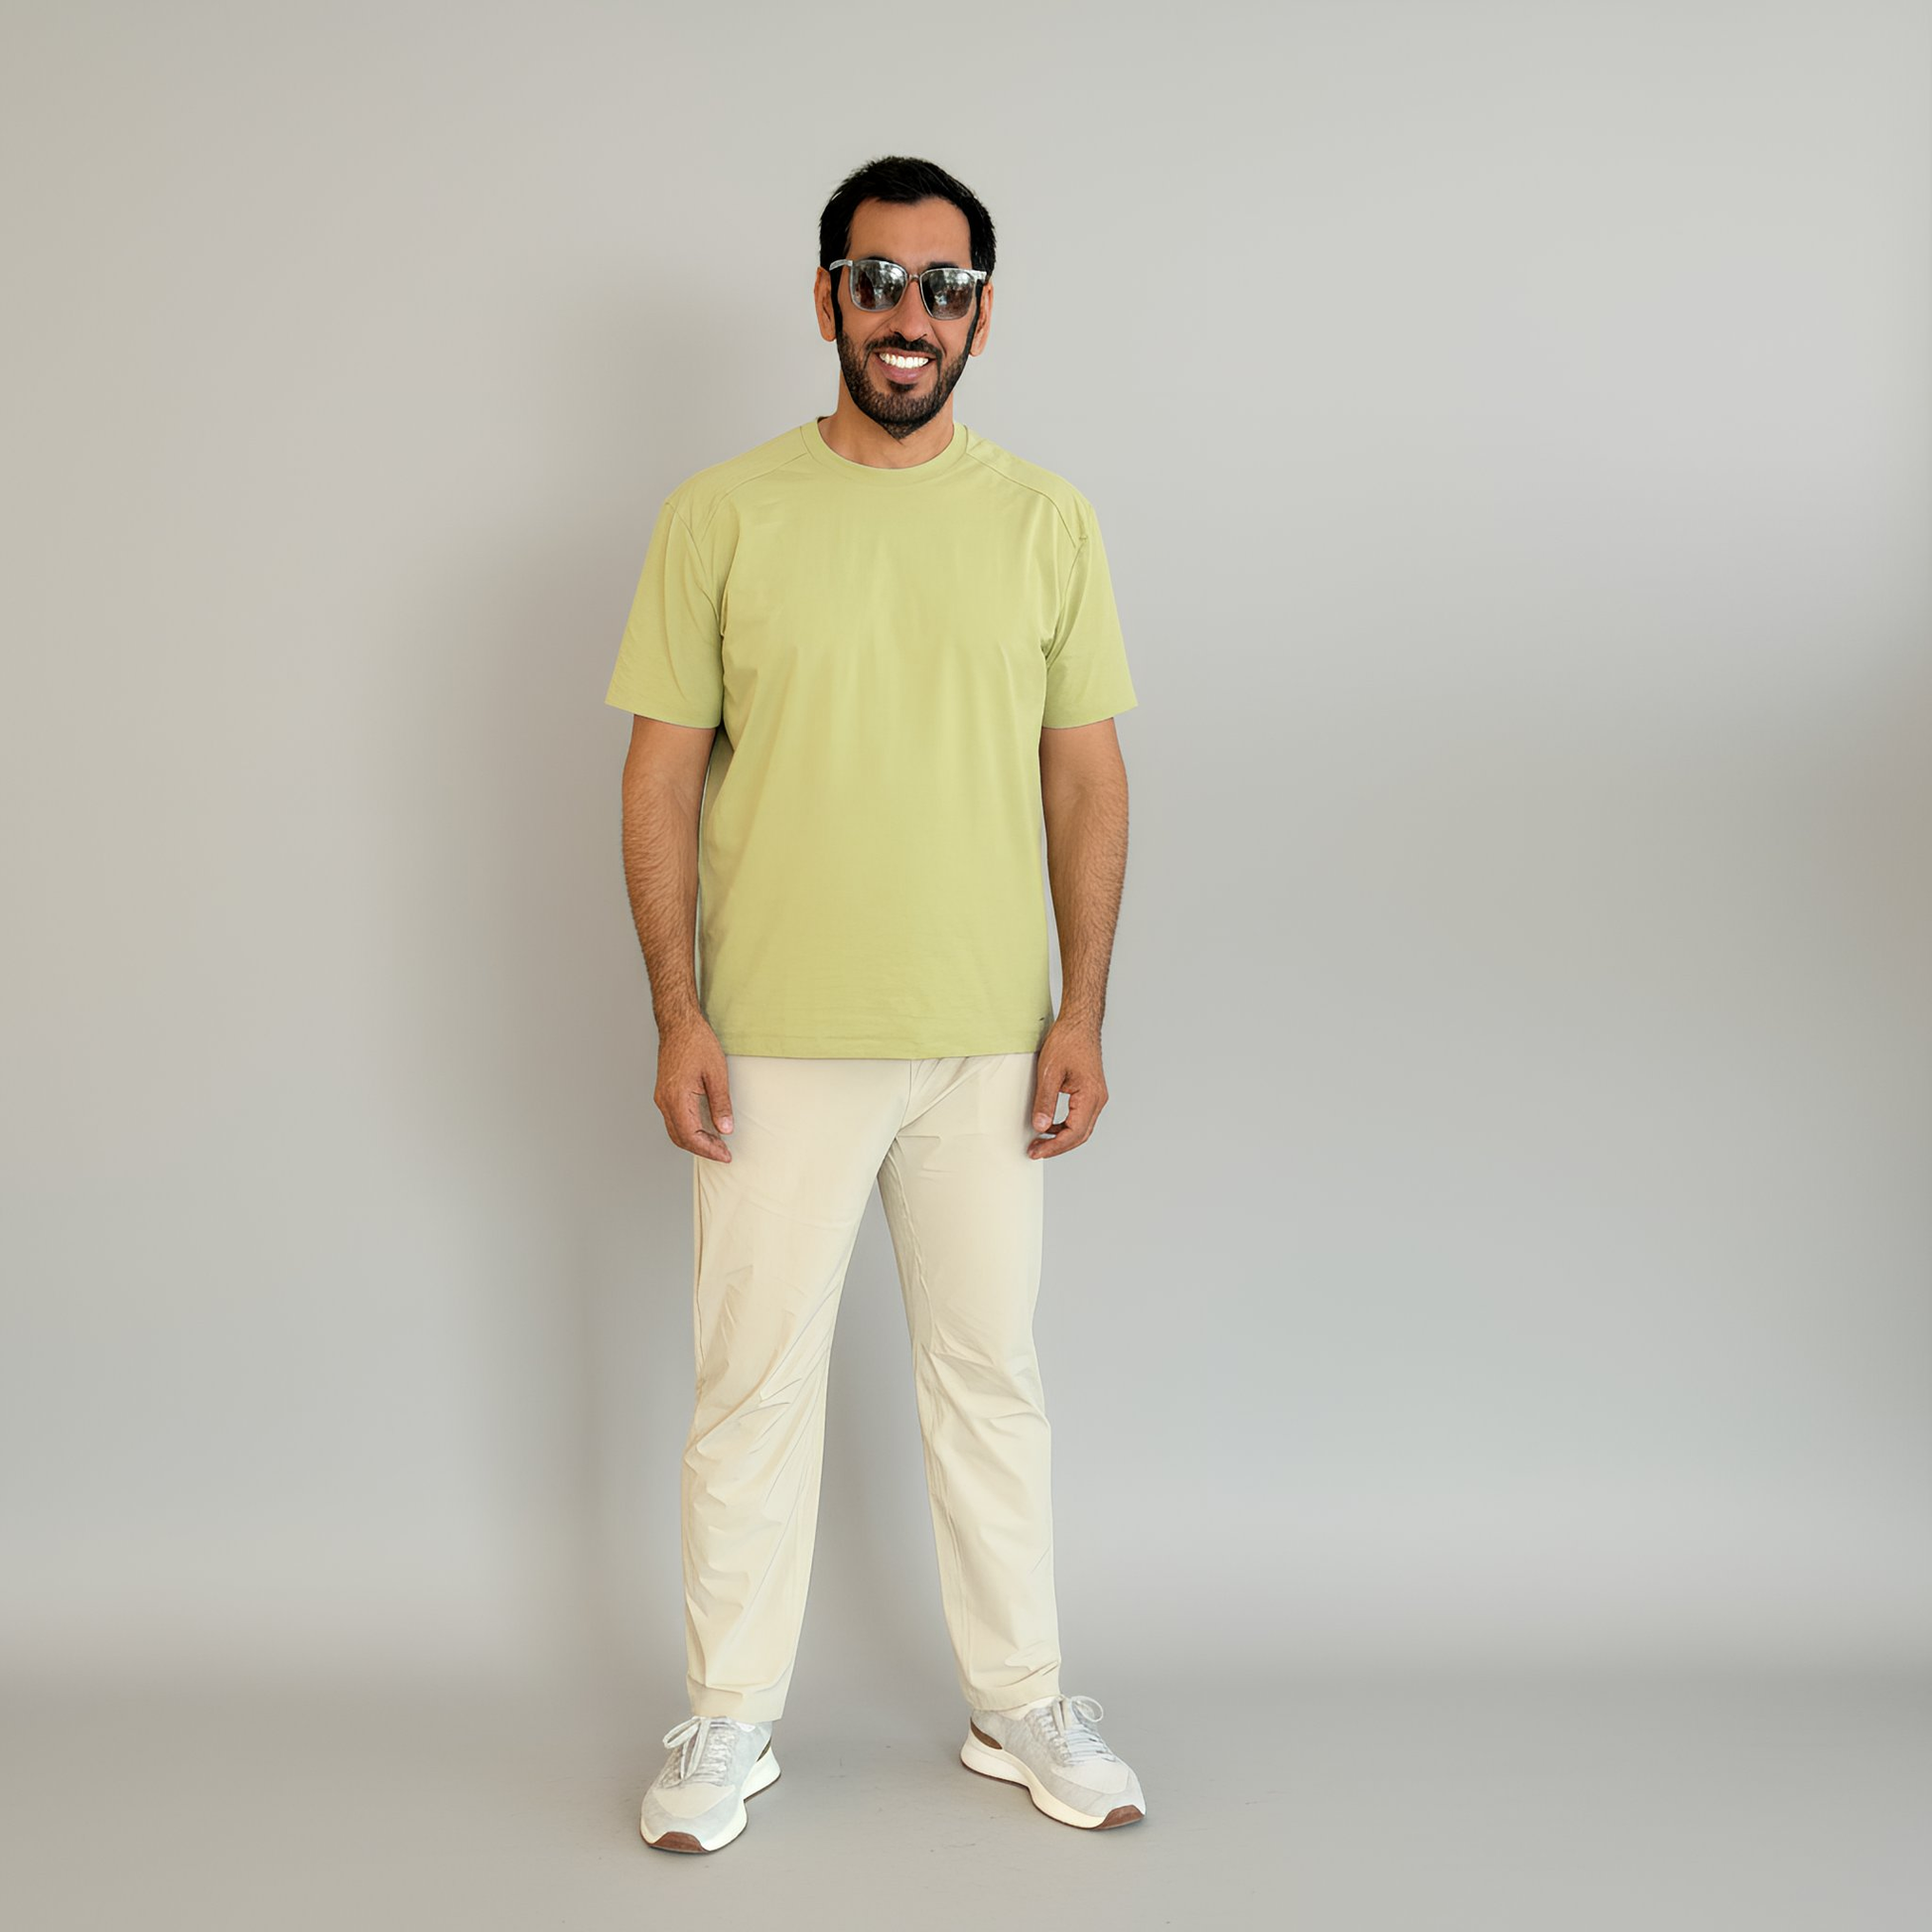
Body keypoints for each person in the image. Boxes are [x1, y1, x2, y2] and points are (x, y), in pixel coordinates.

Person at [606, 154, 1146, 1854]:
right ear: (827, 297)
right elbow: (657, 773)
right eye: (879, 279)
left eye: (943, 286)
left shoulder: (1045, 520)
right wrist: (678, 1012)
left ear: (982, 314)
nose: (910, 313)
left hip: (987, 1038)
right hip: (773, 1038)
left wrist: (1080, 1012)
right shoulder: (722, 515)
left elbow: (1085, 779)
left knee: (989, 1376)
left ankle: (1021, 1696)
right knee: (748, 1383)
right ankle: (725, 1718)